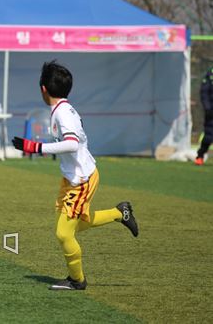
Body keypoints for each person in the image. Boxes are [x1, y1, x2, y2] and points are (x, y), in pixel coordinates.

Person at [12, 60, 139, 290]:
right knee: (74, 225)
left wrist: (35, 147)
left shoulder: (63, 114)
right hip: (73, 178)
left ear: (43, 89)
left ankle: (77, 280)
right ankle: (119, 213)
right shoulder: (61, 110)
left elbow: (71, 144)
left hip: (82, 179)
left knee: (63, 233)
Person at [195, 66, 213, 165]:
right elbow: (204, 92)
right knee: (208, 136)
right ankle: (200, 156)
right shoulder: (210, 74)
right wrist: (207, 107)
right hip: (211, 111)